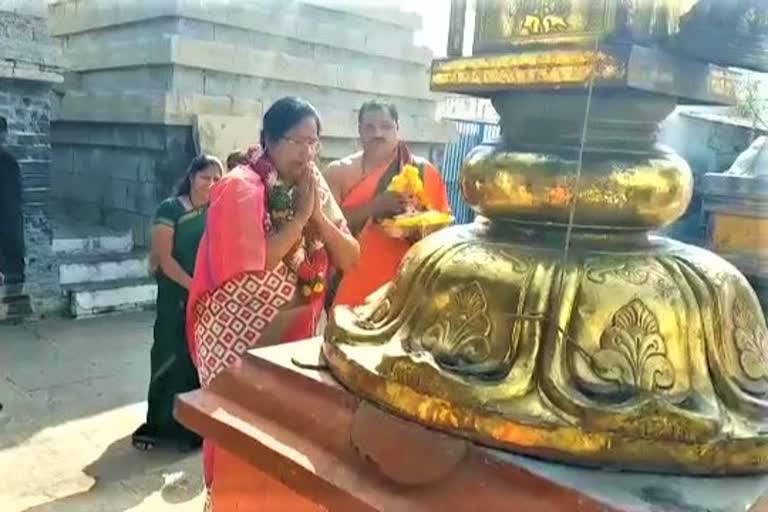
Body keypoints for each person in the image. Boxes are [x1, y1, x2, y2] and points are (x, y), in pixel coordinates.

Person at [187, 96, 359, 497]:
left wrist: (318, 220)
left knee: (287, 438)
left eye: (313, 142)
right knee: (236, 430)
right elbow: (258, 260)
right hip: (234, 337)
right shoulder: (238, 185)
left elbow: (351, 256)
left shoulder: (313, 182)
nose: (307, 152)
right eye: (296, 141)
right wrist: (300, 219)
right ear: (268, 140)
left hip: (296, 332)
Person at [132, 154, 223, 452]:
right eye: (204, 177)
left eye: (216, 179)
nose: (210, 184)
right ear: (191, 177)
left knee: (197, 359)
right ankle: (158, 424)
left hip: (207, 295)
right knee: (170, 353)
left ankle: (191, 427)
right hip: (176, 293)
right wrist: (193, 286)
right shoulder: (170, 208)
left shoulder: (217, 210)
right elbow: (164, 259)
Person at [325, 100, 450, 308]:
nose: (378, 134)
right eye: (370, 127)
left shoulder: (422, 171)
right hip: (349, 281)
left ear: (397, 129)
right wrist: (375, 207)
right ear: (359, 131)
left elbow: (441, 231)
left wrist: (416, 227)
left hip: (404, 283)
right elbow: (324, 227)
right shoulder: (338, 172)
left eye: (386, 126)